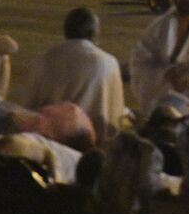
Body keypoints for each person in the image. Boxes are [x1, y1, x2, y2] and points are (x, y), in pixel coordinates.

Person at [23, 8, 125, 141]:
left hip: (50, 139)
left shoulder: (44, 59)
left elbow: (29, 106)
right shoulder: (109, 62)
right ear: (92, 33)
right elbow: (114, 114)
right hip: (92, 142)